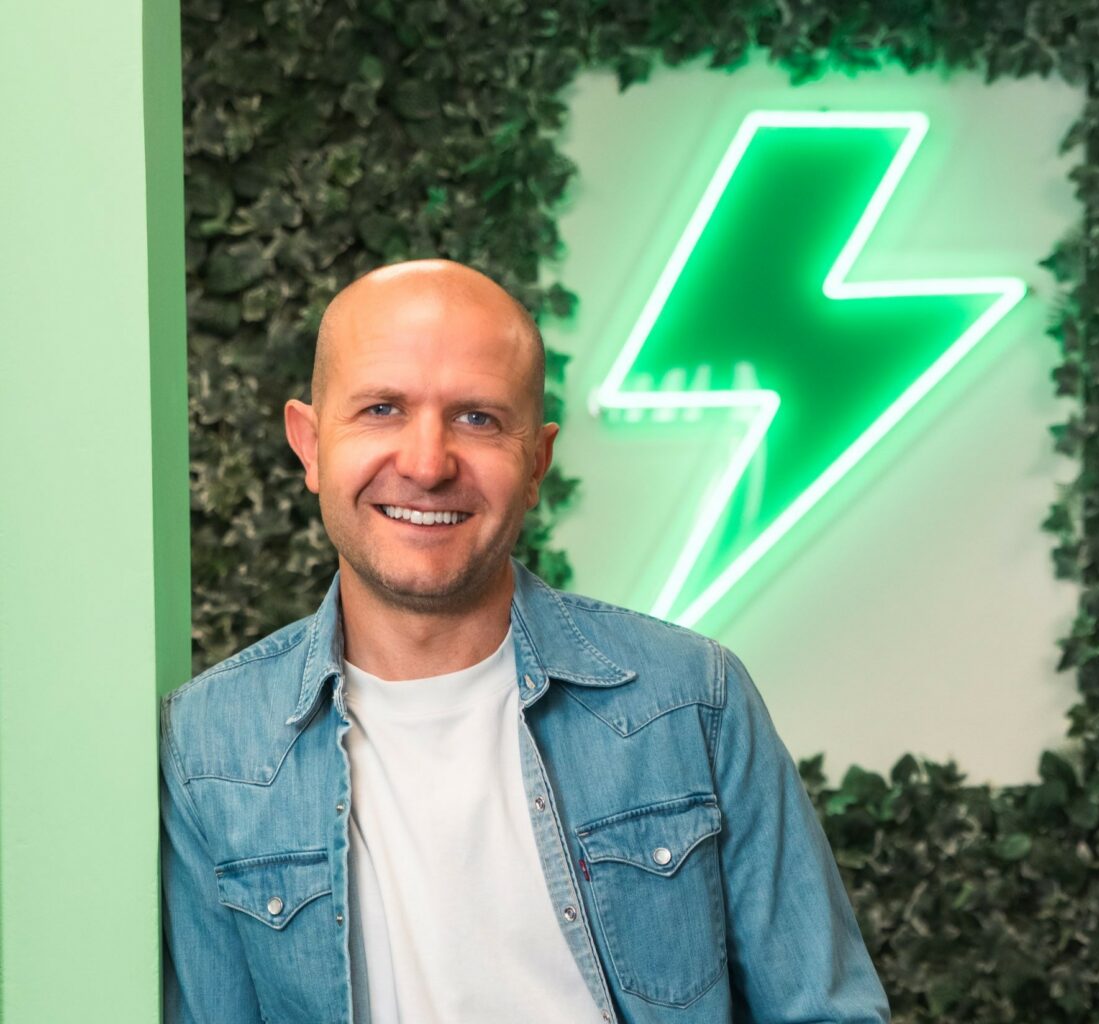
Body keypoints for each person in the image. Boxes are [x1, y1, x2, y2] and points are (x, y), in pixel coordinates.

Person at [160, 259, 890, 1023]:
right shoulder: (210, 746)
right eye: (381, 409)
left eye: (477, 418)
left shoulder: (692, 699)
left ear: (536, 462)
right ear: (310, 444)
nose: (427, 464)